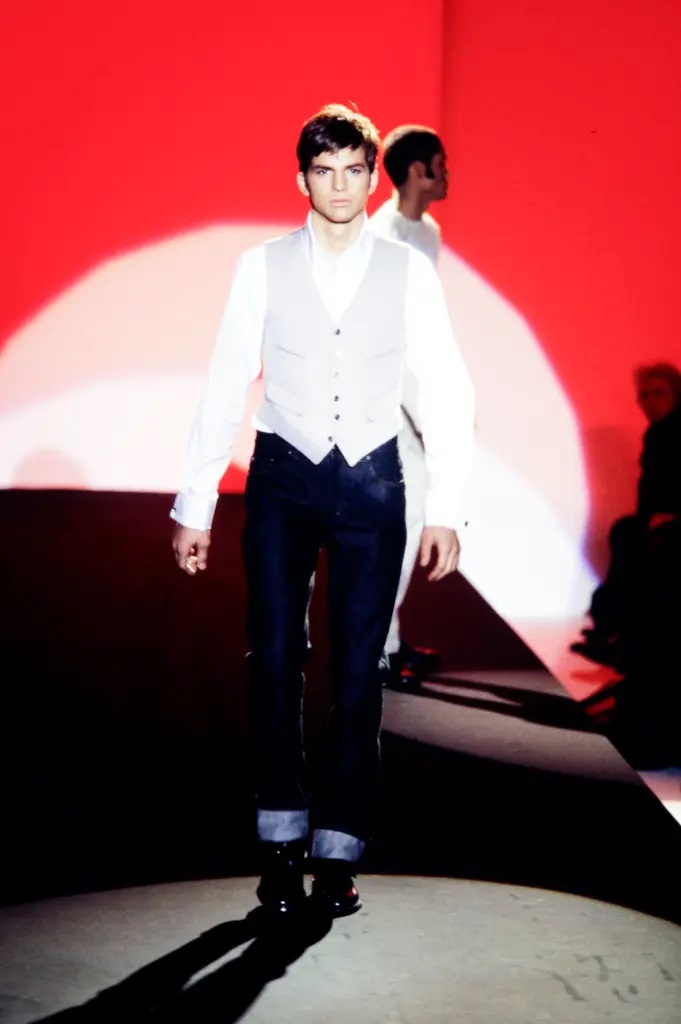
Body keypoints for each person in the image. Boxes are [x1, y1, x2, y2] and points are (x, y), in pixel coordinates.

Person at [171, 104, 475, 918]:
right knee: (274, 657)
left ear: (371, 177)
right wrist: (195, 501)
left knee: (357, 669)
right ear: (301, 177)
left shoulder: (406, 271)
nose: (338, 186)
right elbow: (225, 377)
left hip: (373, 480)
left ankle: (337, 846)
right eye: (323, 170)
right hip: (283, 476)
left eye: (352, 170)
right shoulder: (260, 266)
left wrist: (447, 505)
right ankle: (279, 840)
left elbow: (445, 386)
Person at [370, 125, 449, 691]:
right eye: (441, 165)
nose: (448, 175)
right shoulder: (382, 237)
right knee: (397, 524)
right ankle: (378, 649)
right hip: (378, 399)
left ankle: (385, 644)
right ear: (419, 171)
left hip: (407, 398)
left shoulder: (428, 233)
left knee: (403, 523)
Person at [571, 362, 681, 671]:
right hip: (659, 523)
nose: (649, 401)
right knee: (627, 534)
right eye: (643, 396)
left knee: (650, 545)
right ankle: (615, 633)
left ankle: (625, 642)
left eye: (658, 393)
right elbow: (651, 491)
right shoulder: (656, 435)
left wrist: (671, 517)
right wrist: (650, 519)